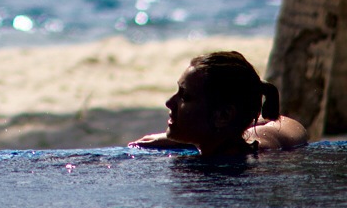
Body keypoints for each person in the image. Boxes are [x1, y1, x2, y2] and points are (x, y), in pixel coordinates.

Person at [131, 51, 308, 159]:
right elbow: (286, 124)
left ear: (223, 117)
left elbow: (282, 125)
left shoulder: (256, 156)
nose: (169, 103)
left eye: (185, 96)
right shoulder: (249, 147)